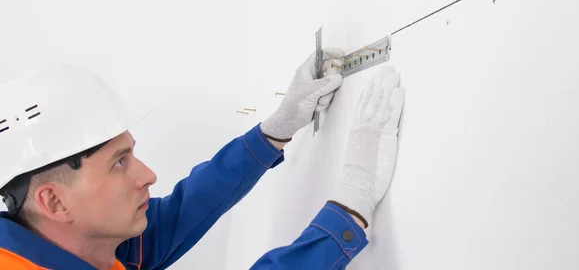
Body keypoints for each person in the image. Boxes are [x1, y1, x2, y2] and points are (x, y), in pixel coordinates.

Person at [0, 49, 405, 269]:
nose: (149, 175)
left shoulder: (82, 241)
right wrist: (349, 210)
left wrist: (274, 131)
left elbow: (181, 213)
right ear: (53, 201)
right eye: (119, 162)